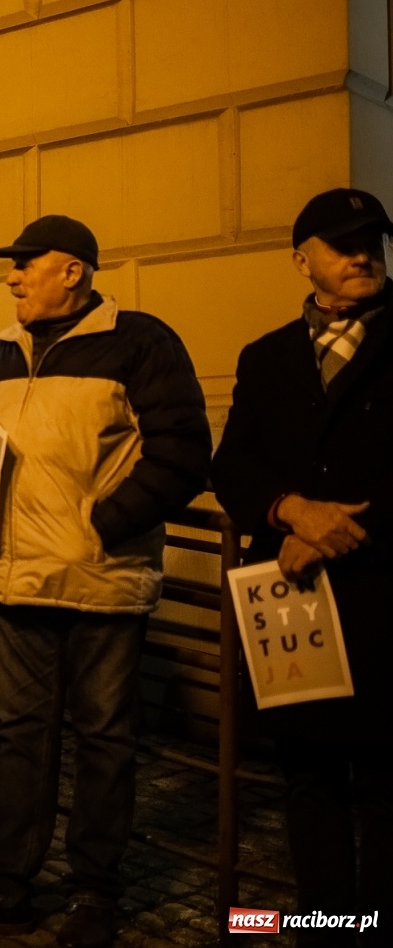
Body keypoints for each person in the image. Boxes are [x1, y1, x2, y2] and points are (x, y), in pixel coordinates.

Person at [0, 216, 211, 948]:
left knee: (104, 741)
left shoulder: (140, 342)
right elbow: (6, 444)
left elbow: (182, 454)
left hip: (100, 576)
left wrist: (105, 524)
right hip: (15, 576)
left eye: (26, 264)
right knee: (23, 738)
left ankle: (95, 897)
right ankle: (3, 887)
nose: (12, 277)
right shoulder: (6, 351)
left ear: (72, 271)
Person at [210, 188, 393, 946]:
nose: (362, 255)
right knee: (308, 780)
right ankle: (328, 926)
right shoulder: (268, 356)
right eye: (342, 244)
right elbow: (232, 466)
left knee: (386, 784)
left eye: (372, 241)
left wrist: (333, 529)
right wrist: (288, 510)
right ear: (301, 261)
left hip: (383, 598)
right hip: (296, 608)